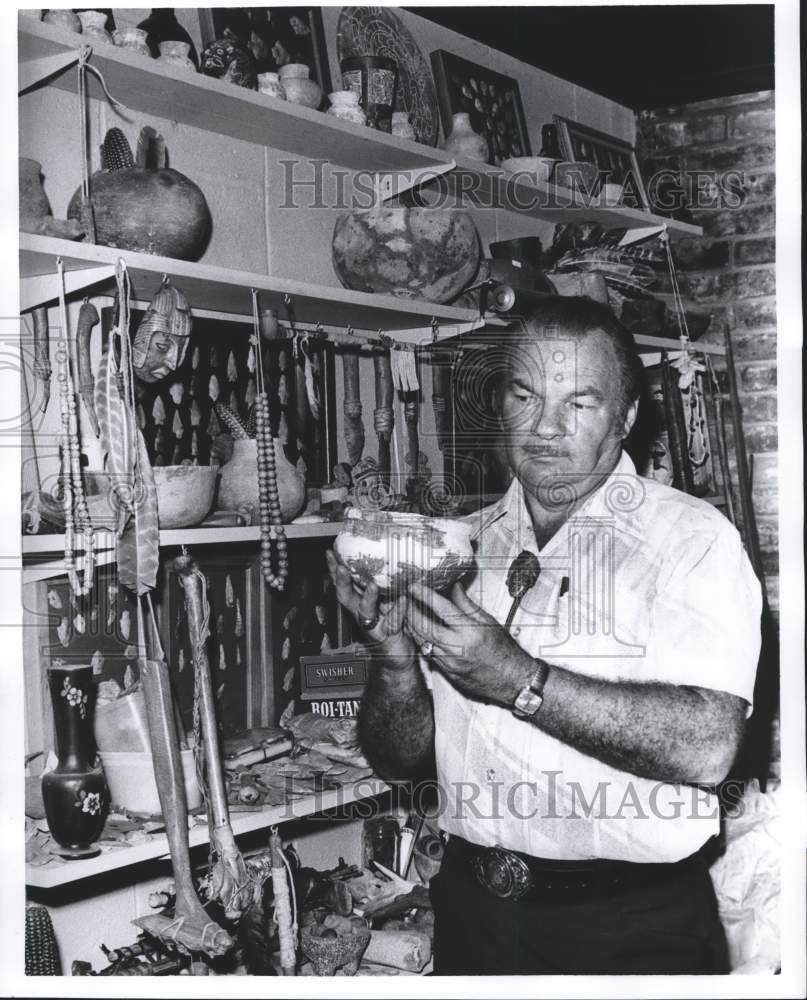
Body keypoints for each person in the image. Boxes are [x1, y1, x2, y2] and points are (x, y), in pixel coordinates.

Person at [326, 296, 762, 975]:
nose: (544, 428)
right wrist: (393, 664)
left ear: (624, 417)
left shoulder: (690, 539)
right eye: (525, 395)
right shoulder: (461, 546)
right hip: (475, 918)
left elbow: (708, 748)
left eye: (578, 403)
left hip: (626, 930)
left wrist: (520, 681)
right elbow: (398, 761)